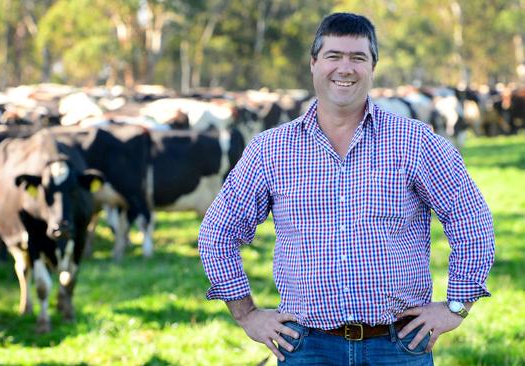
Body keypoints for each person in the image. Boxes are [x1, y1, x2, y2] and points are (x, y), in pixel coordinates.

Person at [198, 12, 494, 365]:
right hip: (307, 346)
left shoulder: (415, 142)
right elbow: (218, 232)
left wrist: (456, 306)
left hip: (397, 346)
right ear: (313, 64)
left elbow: (471, 220)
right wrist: (246, 314)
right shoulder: (271, 149)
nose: (345, 68)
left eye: (358, 58)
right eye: (333, 56)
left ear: (373, 67)